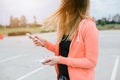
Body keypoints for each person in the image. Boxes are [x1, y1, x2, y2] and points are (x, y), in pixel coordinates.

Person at [30, 0, 99, 80]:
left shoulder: (88, 26)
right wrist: (44, 43)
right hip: (62, 77)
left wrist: (60, 60)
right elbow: (62, 49)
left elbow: (91, 62)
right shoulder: (65, 24)